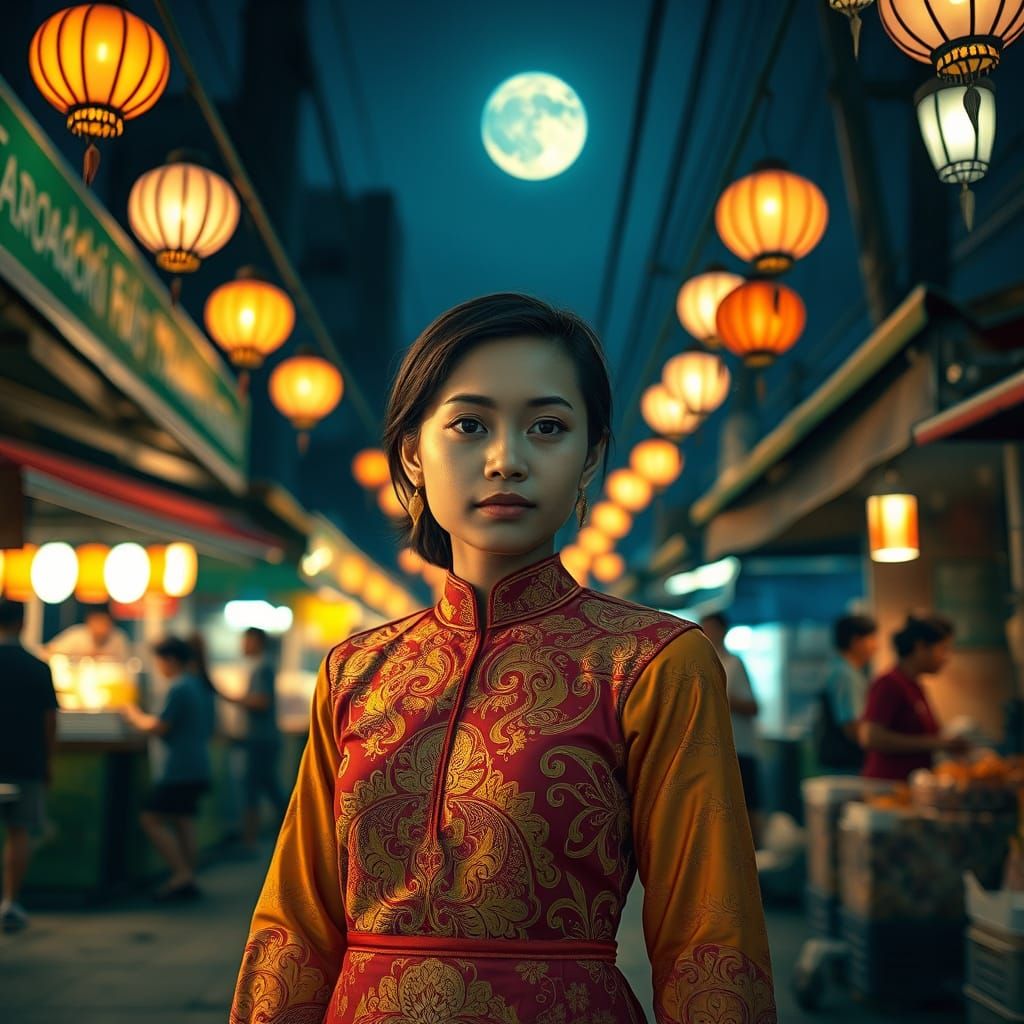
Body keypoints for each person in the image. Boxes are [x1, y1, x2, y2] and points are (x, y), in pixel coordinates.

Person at [230, 294, 775, 1023]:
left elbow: (711, 942)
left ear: (590, 459)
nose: (507, 459)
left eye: (547, 427)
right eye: (468, 424)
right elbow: (293, 927)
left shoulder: (653, 663)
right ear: (413, 456)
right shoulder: (354, 671)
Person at [119, 636, 214, 900]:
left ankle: (181, 874)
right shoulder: (196, 684)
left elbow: (160, 726)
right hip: (196, 765)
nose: (159, 666)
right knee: (183, 821)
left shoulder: (179, 687)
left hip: (177, 768)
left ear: (170, 660)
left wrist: (133, 715)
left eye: (159, 660)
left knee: (151, 819)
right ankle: (189, 877)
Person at [0, 600, 58, 934]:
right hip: (26, 760)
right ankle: (9, 901)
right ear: (22, 623)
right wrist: (48, 760)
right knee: (19, 831)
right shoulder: (38, 667)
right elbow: (49, 720)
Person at [859, 613, 970, 781]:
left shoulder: (913, 686)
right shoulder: (889, 684)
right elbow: (871, 737)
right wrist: (935, 743)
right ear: (920, 647)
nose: (946, 658)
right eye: (943, 649)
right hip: (888, 786)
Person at [218, 627, 287, 848]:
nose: (243, 645)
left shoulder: (262, 668)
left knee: (251, 789)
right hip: (264, 739)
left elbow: (260, 702)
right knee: (268, 786)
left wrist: (230, 698)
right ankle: (289, 829)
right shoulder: (263, 667)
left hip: (257, 740)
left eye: (247, 641)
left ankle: (250, 840)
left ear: (258, 642)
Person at [702, 611, 763, 847]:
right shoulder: (701, 665)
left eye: (710, 628)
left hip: (741, 747)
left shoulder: (734, 664)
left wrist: (721, 698)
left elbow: (753, 706)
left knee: (748, 803)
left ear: (722, 631)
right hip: (715, 749)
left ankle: (755, 855)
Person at [815, 614, 878, 772]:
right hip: (846, 762)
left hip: (841, 759)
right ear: (855, 641)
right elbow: (852, 727)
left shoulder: (841, 669)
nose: (876, 646)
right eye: (872, 639)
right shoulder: (845, 674)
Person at [48, 603, 131, 661]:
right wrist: (79, 657)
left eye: (105, 623)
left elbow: (126, 663)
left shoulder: (118, 638)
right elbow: (49, 651)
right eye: (97, 622)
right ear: (89, 622)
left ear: (111, 624)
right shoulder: (77, 635)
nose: (101, 628)